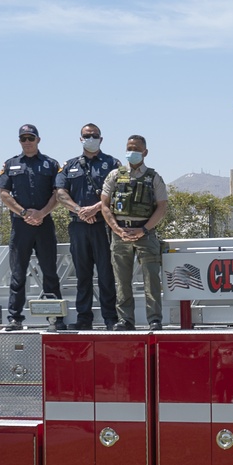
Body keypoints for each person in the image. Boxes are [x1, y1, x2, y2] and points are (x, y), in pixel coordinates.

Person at [0, 124, 65, 331]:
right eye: (23, 138)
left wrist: (42, 213)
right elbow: (3, 193)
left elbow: (58, 193)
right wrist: (24, 213)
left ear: (38, 140)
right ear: (19, 141)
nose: (27, 142)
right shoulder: (11, 164)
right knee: (18, 273)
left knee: (50, 273)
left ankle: (56, 318)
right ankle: (15, 318)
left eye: (30, 138)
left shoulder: (50, 164)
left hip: (44, 224)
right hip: (20, 226)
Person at [54, 123, 120, 330]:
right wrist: (79, 210)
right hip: (78, 226)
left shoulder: (112, 163)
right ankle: (84, 318)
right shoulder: (69, 165)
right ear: (80, 139)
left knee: (106, 273)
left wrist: (95, 208)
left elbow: (119, 191)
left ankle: (111, 318)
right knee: (82, 274)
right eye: (86, 135)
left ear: (101, 138)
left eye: (94, 135)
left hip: (103, 224)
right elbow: (60, 193)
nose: (90, 138)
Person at [100, 135, 168, 331]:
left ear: (145, 152)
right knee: (122, 281)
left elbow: (162, 207)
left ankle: (154, 319)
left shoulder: (154, 177)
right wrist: (117, 229)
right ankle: (125, 320)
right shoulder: (114, 175)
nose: (132, 152)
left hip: (146, 234)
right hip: (120, 233)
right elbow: (105, 205)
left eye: (136, 149)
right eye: (129, 148)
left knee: (151, 279)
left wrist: (144, 229)